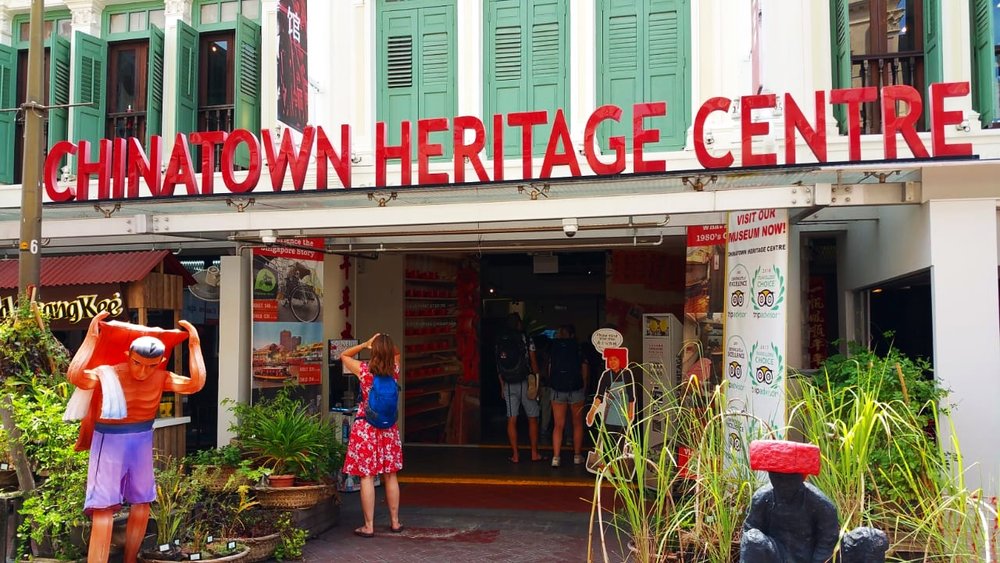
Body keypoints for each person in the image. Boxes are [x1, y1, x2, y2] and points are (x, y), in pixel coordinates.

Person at [66, 311, 206, 563]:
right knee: (103, 510)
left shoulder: (161, 377)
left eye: (151, 365)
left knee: (142, 503)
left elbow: (195, 384)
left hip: (141, 439)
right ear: (128, 356)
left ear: (161, 360)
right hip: (109, 441)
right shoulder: (109, 373)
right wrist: (91, 338)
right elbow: (76, 376)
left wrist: (194, 344)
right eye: (137, 363)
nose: (143, 371)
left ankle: (130, 560)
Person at [340, 333, 404, 538]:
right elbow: (397, 353)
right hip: (388, 429)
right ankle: (395, 522)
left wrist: (366, 344)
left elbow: (344, 355)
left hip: (366, 428)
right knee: (391, 475)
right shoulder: (394, 370)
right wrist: (386, 342)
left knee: (367, 476)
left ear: (374, 352)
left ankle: (369, 526)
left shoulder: (365, 371)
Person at [496, 313, 545, 463]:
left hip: (509, 383)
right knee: (532, 418)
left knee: (512, 419)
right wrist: (537, 382)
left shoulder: (500, 341)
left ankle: (515, 455)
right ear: (518, 324)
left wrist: (502, 385)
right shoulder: (526, 339)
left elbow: (499, 365)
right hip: (525, 381)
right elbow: (534, 362)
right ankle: (534, 453)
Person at [585, 347, 637, 477]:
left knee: (620, 442)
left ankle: (616, 466)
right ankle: (608, 465)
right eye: (610, 360)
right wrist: (591, 412)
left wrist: (631, 412)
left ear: (621, 360)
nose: (612, 362)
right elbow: (599, 396)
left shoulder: (627, 374)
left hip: (623, 414)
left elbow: (631, 396)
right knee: (609, 442)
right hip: (610, 413)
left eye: (615, 359)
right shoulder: (606, 375)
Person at [548, 325, 589, 467]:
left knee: (558, 425)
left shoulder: (554, 347)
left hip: (557, 389)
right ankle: (577, 456)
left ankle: (556, 457)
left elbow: (550, 368)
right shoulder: (578, 347)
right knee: (577, 423)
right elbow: (584, 367)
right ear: (572, 335)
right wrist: (583, 384)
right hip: (575, 389)